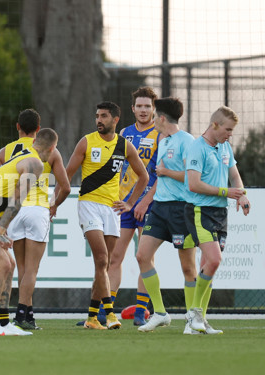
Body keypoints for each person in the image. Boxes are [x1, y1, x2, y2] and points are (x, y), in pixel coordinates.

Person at [0, 127, 59, 336]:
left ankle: (4, 322)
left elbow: (6, 192)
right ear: (52, 148)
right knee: (3, 263)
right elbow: (17, 199)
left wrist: (0, 227)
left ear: (34, 143)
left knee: (11, 264)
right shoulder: (35, 164)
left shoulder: (24, 154)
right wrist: (2, 228)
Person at [66, 101, 149, 330]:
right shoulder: (86, 141)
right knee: (102, 259)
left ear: (115, 119)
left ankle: (92, 318)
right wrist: (53, 203)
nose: (98, 120)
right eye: (96, 116)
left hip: (112, 209)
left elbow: (143, 177)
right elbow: (67, 174)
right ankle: (111, 313)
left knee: (103, 265)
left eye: (103, 116)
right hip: (89, 204)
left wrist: (130, 203)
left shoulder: (124, 145)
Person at [0, 109, 70, 330]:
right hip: (37, 210)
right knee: (32, 271)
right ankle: (21, 315)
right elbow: (64, 187)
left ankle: (28, 316)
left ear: (17, 127)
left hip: (15, 211)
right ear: (38, 130)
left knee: (23, 269)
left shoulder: (5, 151)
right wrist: (53, 206)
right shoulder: (49, 150)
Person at [133, 97, 198, 333]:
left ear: (161, 118)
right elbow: (160, 177)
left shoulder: (187, 141)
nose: (152, 120)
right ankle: (160, 313)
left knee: (188, 267)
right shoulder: (163, 140)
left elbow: (193, 178)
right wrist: (146, 200)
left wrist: (167, 172)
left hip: (182, 209)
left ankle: (193, 318)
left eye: (154, 116)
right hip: (160, 208)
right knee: (142, 255)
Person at [184, 106, 250, 334]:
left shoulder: (225, 147)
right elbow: (193, 184)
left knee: (207, 266)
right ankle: (194, 314)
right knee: (214, 260)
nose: (230, 134)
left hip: (221, 214)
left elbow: (234, 175)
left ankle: (198, 321)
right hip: (200, 211)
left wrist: (241, 196)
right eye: (228, 129)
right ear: (214, 125)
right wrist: (225, 192)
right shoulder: (196, 147)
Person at [107, 87, 159, 326]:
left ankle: (141, 311)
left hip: (148, 204)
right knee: (114, 257)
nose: (143, 110)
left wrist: (145, 201)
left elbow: (161, 175)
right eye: (139, 106)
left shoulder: (160, 134)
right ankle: (106, 311)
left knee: (144, 258)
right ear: (132, 109)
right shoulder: (124, 133)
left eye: (147, 106)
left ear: (153, 109)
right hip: (123, 203)